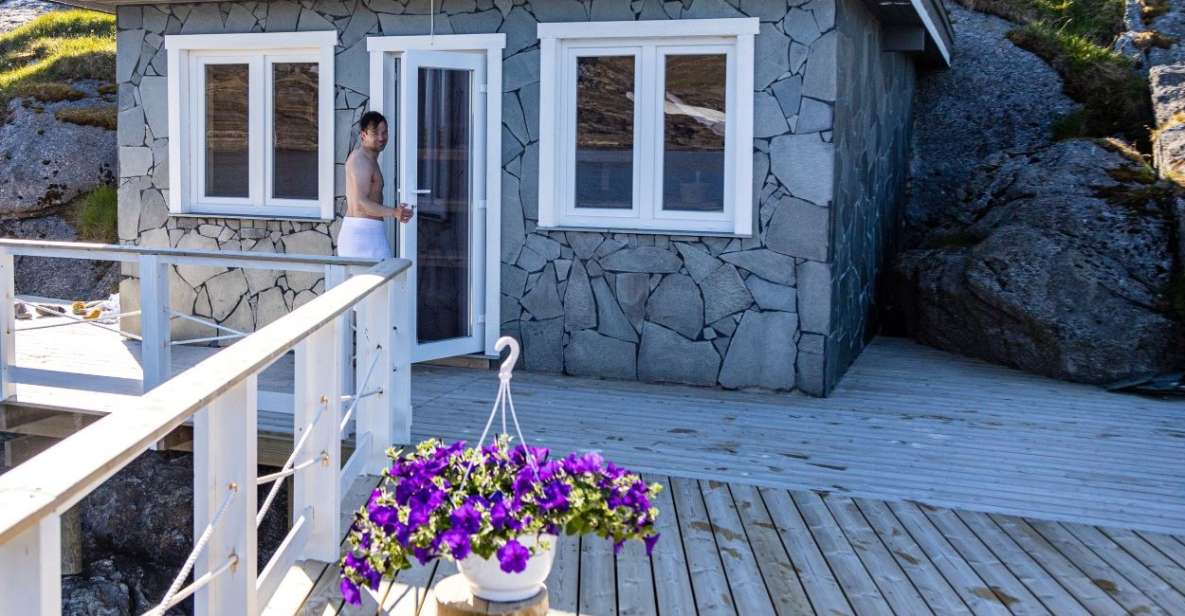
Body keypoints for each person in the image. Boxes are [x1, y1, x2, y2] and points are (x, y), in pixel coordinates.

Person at [338, 111, 413, 259]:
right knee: (386, 280)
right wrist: (394, 212)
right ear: (363, 135)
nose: (381, 138)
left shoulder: (370, 159)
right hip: (361, 236)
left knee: (387, 279)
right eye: (375, 133)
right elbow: (361, 203)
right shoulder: (360, 161)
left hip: (369, 232)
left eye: (384, 133)